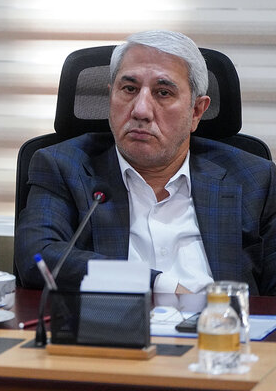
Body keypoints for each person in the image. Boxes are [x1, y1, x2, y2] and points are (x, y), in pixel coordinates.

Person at [15, 30, 276, 295]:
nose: (140, 110)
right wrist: (157, 285)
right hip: (113, 321)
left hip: (220, 321)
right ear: (111, 96)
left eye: (163, 93)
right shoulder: (64, 166)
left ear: (197, 111)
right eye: (129, 89)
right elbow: (38, 256)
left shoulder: (254, 179)